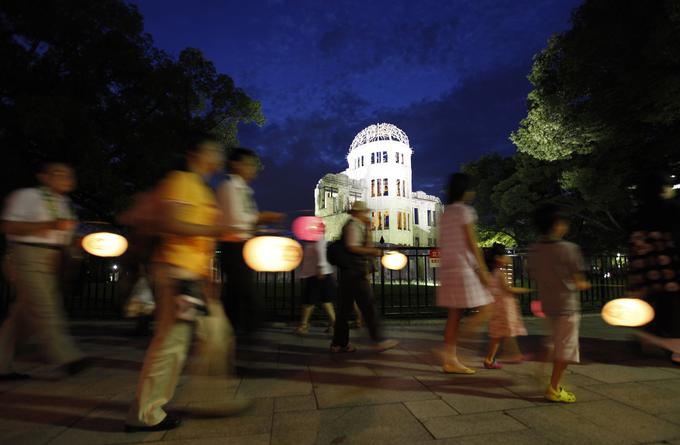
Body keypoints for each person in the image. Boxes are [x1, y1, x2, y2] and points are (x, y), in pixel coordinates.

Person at [125, 133, 235, 432]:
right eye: (212, 151)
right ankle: (146, 412)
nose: (217, 158)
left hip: (192, 275)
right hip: (176, 273)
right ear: (194, 154)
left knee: (217, 335)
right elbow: (171, 223)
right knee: (171, 343)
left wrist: (209, 274)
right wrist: (214, 228)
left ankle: (211, 397)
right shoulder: (180, 180)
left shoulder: (201, 188)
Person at [0, 162, 87, 380]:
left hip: (52, 259)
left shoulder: (65, 203)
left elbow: (63, 233)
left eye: (68, 173)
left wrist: (76, 243)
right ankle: (67, 357)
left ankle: (1, 365)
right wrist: (49, 225)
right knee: (45, 307)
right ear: (43, 177)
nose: (65, 177)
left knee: (22, 317)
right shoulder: (27, 196)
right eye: (58, 173)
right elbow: (8, 226)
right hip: (26, 255)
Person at [215, 148, 284, 335]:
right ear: (236, 164)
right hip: (234, 247)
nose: (253, 169)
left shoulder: (243, 190)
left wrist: (260, 224)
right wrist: (261, 217)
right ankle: (244, 332)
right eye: (249, 164)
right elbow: (235, 220)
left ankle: (232, 334)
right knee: (245, 293)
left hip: (243, 247)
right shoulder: (229, 187)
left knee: (236, 295)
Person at [528, 204, 590, 403]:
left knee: (553, 343)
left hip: (548, 305)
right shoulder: (569, 249)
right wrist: (583, 283)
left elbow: (532, 273)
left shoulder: (534, 250)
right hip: (567, 307)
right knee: (566, 349)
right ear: (557, 225)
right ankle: (553, 388)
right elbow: (578, 281)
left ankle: (541, 371)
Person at [436, 173, 493, 374]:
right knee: (487, 306)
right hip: (463, 268)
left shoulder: (445, 214)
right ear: (465, 190)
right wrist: (483, 270)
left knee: (454, 315)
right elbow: (472, 244)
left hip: (448, 269)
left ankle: (450, 358)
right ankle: (461, 345)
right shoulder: (465, 212)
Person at [330, 201, 398, 353]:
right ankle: (378, 340)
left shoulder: (359, 226)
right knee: (368, 306)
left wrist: (368, 230)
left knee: (345, 310)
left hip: (352, 272)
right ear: (357, 213)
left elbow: (364, 244)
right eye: (363, 212)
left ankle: (338, 343)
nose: (365, 215)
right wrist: (372, 252)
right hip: (354, 272)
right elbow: (352, 246)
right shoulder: (353, 225)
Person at [628, 172, 680, 364]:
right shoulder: (670, 209)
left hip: (643, 268)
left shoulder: (638, 212)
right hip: (666, 267)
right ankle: (674, 347)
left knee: (650, 303)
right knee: (672, 306)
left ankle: (648, 339)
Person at [483, 243, 531, 369]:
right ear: (498, 259)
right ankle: (489, 359)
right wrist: (524, 290)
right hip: (503, 308)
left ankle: (512, 355)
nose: (507, 258)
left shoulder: (492, 273)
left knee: (501, 334)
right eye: (504, 256)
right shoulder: (500, 273)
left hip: (497, 307)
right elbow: (508, 289)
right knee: (499, 335)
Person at [295, 222, 336, 335]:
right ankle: (334, 324)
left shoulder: (317, 239)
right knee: (325, 300)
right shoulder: (317, 239)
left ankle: (303, 325)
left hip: (317, 273)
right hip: (320, 272)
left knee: (309, 300)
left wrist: (320, 268)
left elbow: (320, 253)